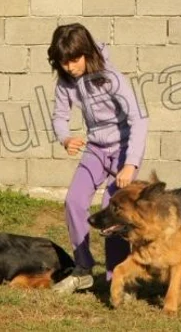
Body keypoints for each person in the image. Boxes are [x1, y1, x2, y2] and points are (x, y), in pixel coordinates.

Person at [48, 23, 148, 293]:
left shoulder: (111, 78)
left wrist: (130, 164)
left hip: (123, 150)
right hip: (95, 149)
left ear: (87, 52)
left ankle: (116, 277)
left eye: (74, 59)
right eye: (63, 62)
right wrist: (66, 138)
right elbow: (60, 115)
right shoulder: (66, 80)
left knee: (112, 211)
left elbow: (138, 120)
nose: (69, 66)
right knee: (74, 201)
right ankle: (83, 269)